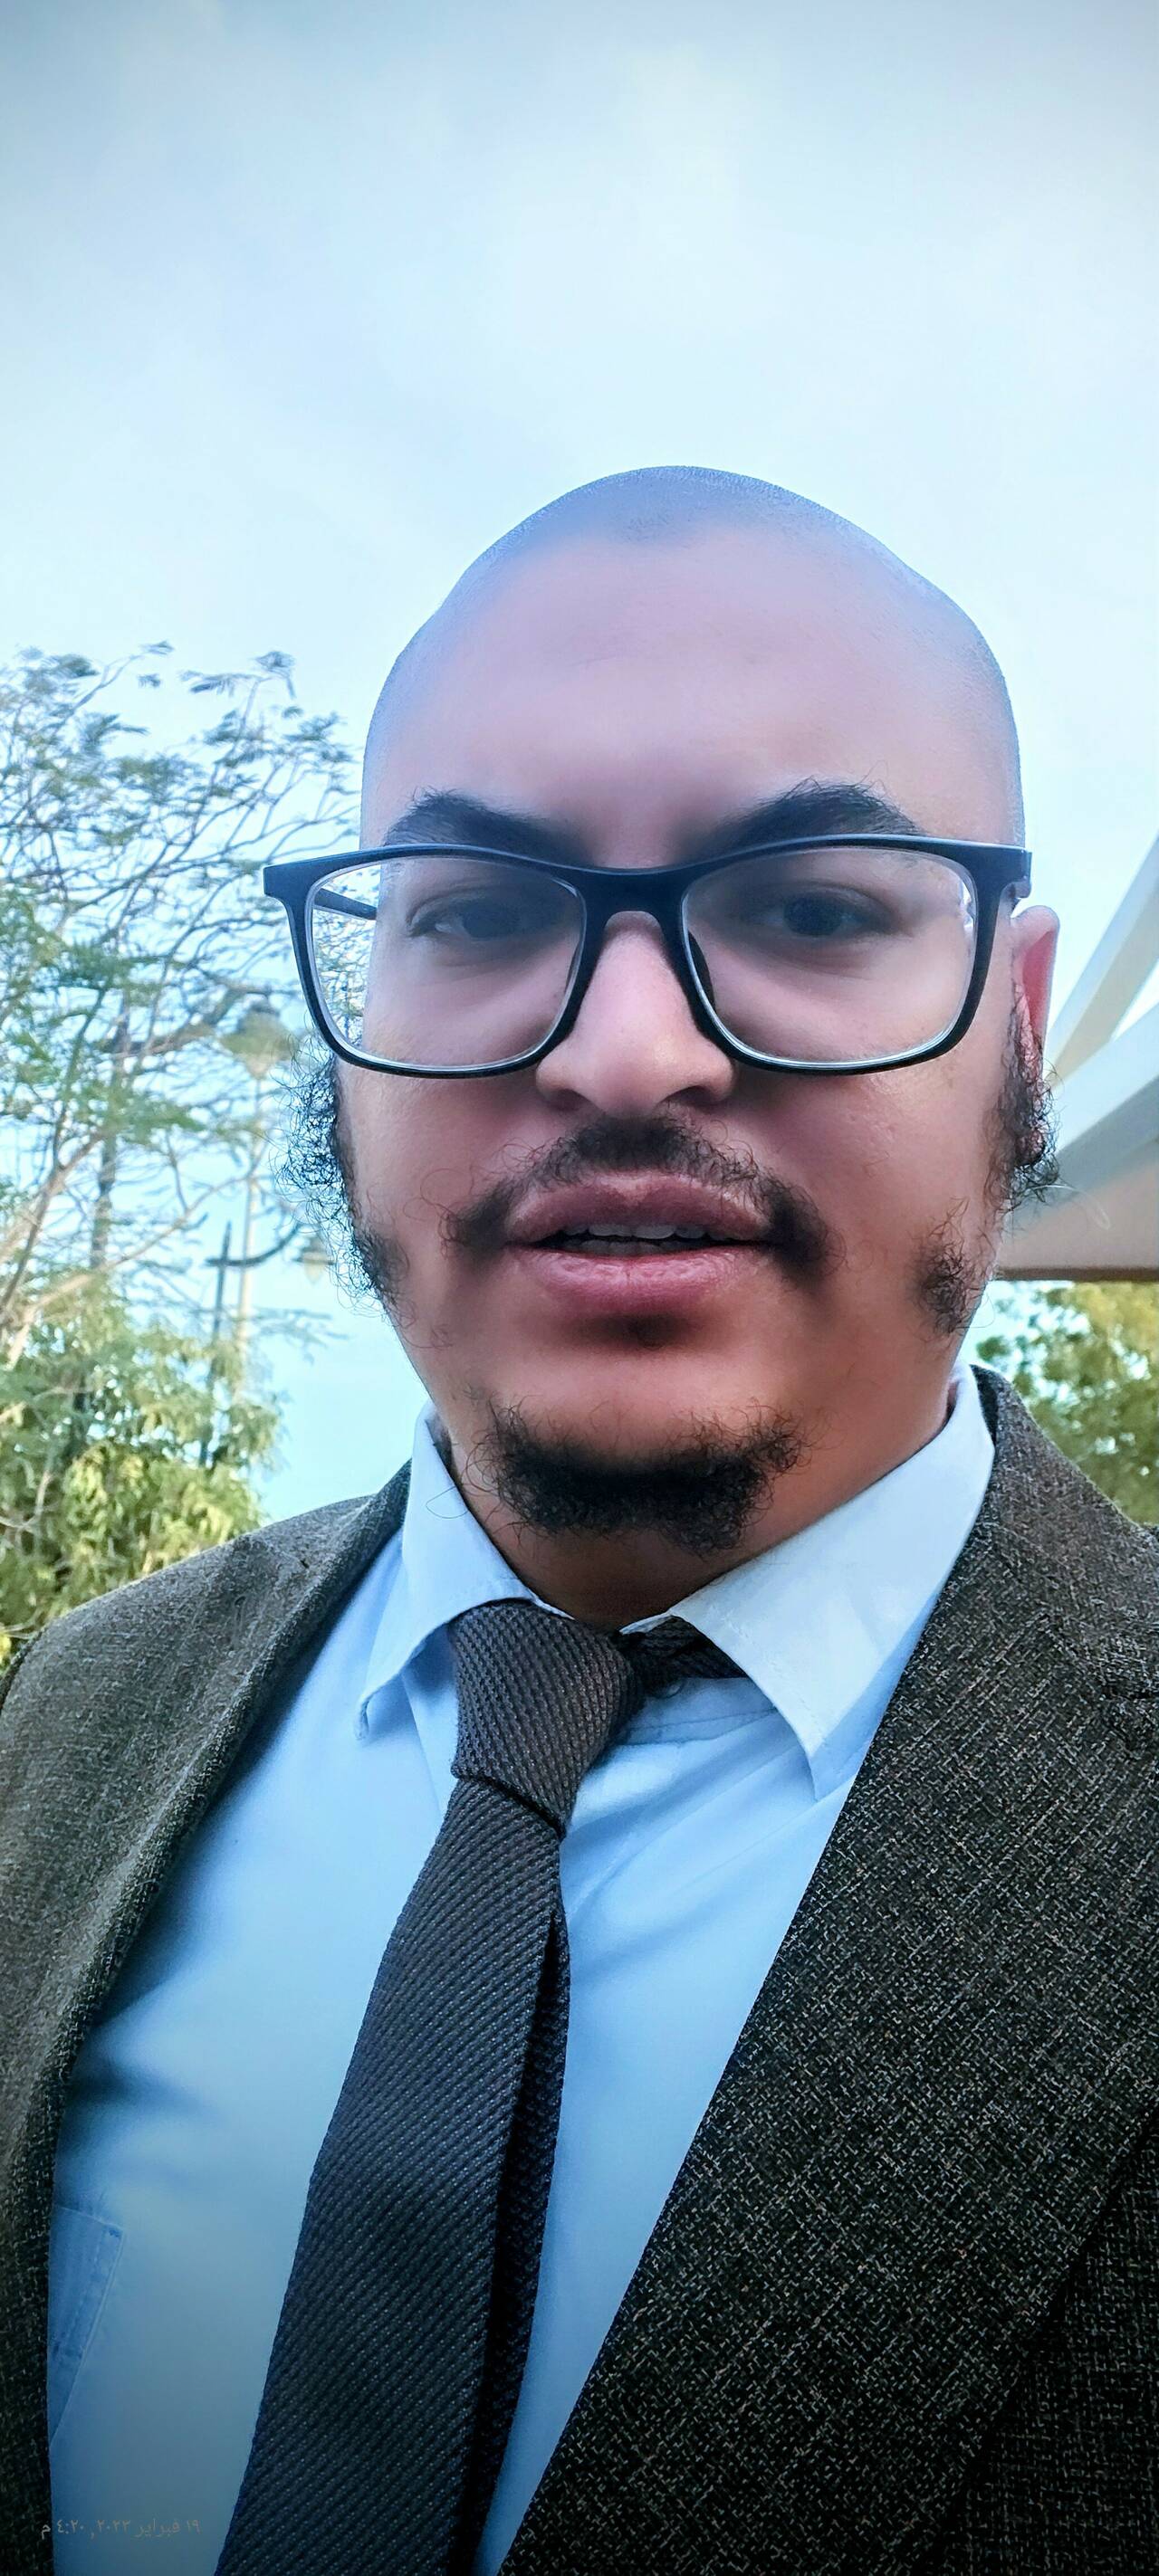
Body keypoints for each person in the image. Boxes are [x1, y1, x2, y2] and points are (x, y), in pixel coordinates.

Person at [2, 467, 1154, 2576]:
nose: (627, 1054)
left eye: (812, 908)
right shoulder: (70, 1720)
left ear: (1013, 1019)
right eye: (476, 912)